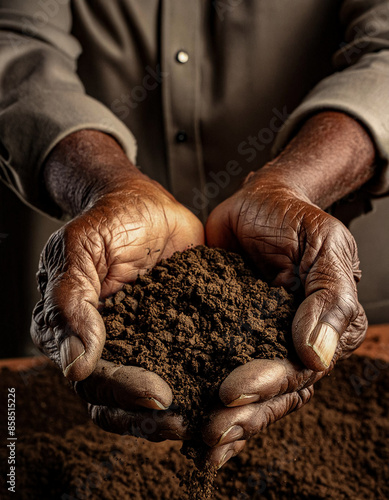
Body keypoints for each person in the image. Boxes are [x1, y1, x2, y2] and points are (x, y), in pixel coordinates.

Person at [0, 0, 388, 469]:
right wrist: (103, 185)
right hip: (97, 274)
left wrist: (295, 187)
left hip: (301, 270)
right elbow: (15, 42)